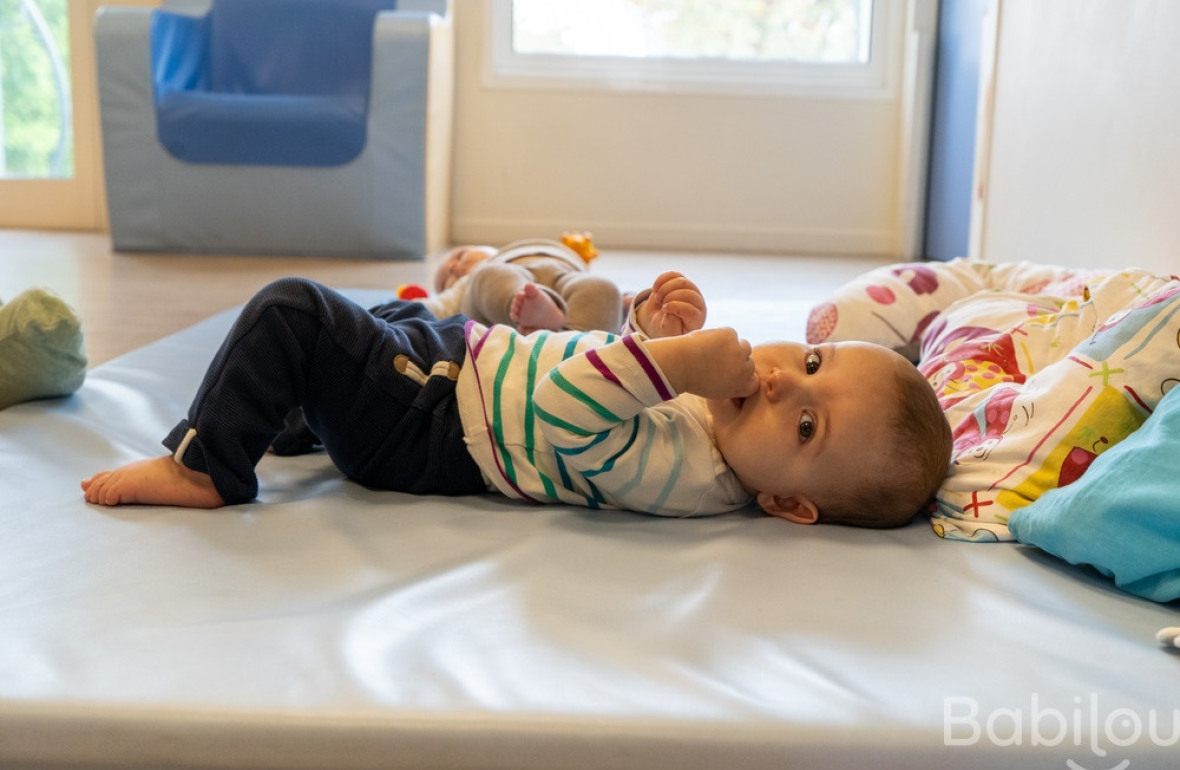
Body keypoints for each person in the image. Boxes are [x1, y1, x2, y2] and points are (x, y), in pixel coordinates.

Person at [80, 271, 952, 528]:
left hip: (434, 423)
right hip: (468, 363)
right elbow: (615, 362)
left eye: (804, 421)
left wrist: (677, 362)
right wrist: (653, 324)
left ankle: (208, 466)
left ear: (788, 502)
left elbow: (570, 408)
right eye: (806, 360)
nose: (777, 381)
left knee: (294, 312)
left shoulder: (689, 473)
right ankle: (288, 418)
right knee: (389, 317)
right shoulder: (723, 429)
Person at [427, 237, 624, 335]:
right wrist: (401, 307)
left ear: (488, 250)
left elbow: (618, 303)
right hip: (510, 278)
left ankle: (570, 340)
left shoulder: (503, 254)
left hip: (567, 273)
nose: (453, 267)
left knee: (602, 290)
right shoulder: (473, 278)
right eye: (447, 278)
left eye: (459, 255)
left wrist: (627, 304)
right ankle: (532, 313)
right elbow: (435, 307)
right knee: (488, 278)